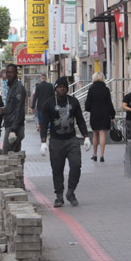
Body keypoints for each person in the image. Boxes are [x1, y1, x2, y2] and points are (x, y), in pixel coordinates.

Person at [40, 77, 92, 207]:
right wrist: (43, 142)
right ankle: (59, 196)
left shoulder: (73, 102)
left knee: (76, 165)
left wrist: (86, 137)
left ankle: (71, 192)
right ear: (55, 89)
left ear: (67, 88)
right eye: (59, 87)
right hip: (56, 141)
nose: (62, 89)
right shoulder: (49, 103)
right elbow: (44, 123)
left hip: (71, 140)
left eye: (64, 87)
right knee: (57, 169)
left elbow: (80, 119)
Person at [84, 72, 115, 163]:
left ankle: (94, 154)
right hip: (104, 114)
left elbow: (87, 105)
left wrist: (91, 109)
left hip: (94, 114)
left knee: (95, 134)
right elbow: (109, 103)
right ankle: (102, 155)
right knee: (102, 133)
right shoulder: (106, 89)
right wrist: (112, 115)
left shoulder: (91, 89)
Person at [2, 63, 27, 152]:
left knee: (6, 155)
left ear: (16, 73)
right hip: (10, 125)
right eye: (8, 72)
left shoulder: (18, 88)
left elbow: (19, 110)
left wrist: (13, 130)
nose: (9, 74)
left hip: (14, 127)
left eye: (12, 72)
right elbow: (12, 107)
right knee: (13, 158)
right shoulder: (11, 86)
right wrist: (4, 110)